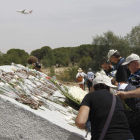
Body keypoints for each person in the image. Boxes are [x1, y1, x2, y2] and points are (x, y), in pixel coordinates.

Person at [75, 74, 134, 140]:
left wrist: (88, 127)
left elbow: (80, 122)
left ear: (93, 87)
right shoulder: (117, 99)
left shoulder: (90, 96)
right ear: (109, 88)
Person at [117, 53, 140, 140]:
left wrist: (126, 94)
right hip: (133, 115)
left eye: (129, 64)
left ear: (135, 63)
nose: (127, 67)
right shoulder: (133, 74)